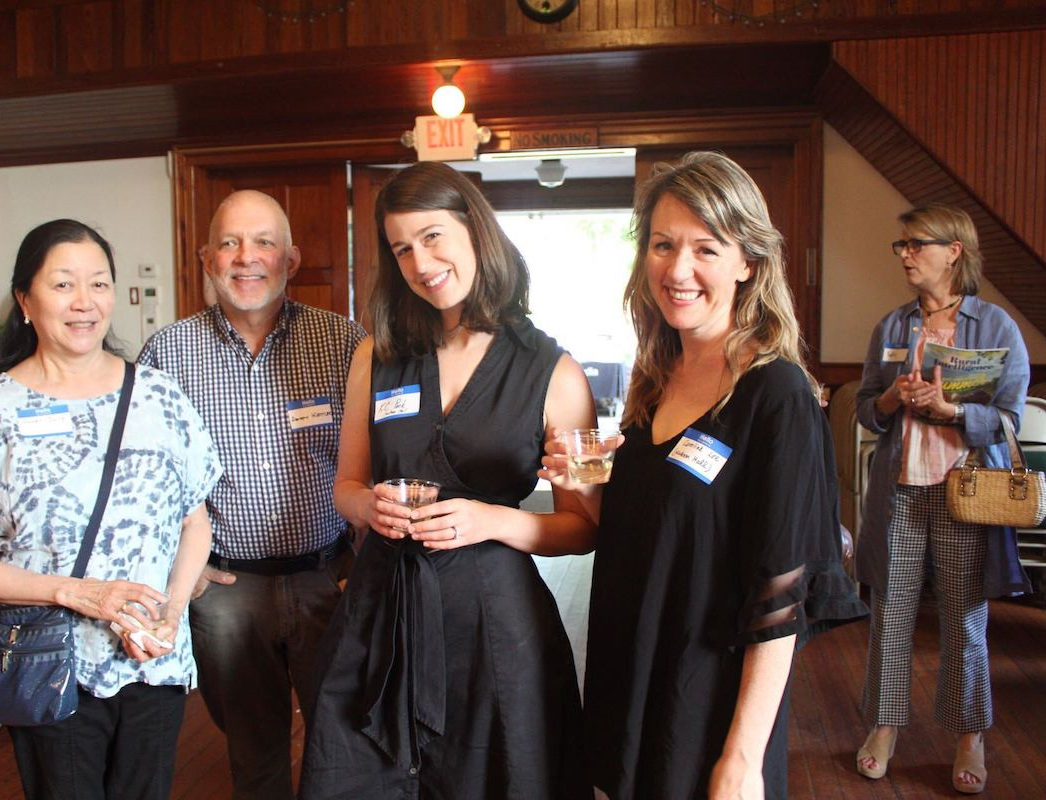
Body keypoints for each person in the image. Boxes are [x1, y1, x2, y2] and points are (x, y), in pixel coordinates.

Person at [567, 151, 866, 799]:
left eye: (706, 248)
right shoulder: (653, 385)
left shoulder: (775, 396)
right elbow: (642, 542)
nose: (678, 270)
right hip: (635, 683)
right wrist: (585, 486)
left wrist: (742, 757)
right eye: (663, 245)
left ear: (748, 263)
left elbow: (783, 596)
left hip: (707, 706)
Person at [298, 161, 596, 799]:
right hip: (382, 609)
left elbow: (582, 527)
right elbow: (346, 485)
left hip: (493, 619)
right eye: (402, 248)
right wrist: (368, 506)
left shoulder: (553, 371)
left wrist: (492, 520)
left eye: (432, 236)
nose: (420, 262)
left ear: (475, 231)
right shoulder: (374, 357)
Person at [0, 219, 221, 800]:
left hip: (151, 659)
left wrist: (171, 612)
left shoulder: (160, 395)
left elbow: (194, 522)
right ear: (25, 300)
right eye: (63, 285)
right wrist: (78, 593)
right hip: (49, 658)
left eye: (99, 284)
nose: (85, 303)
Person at [138, 190, 366, 800]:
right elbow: (144, 479)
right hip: (226, 593)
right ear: (207, 257)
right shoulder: (167, 354)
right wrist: (185, 569)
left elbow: (379, 457)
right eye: (231, 243)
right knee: (253, 751)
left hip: (329, 579)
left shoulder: (346, 344)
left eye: (263, 242)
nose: (247, 258)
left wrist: (365, 563)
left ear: (290, 259)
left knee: (342, 743)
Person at [854, 203, 1030, 794]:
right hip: (900, 492)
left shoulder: (996, 327)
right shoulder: (892, 326)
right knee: (891, 615)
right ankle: (884, 726)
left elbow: (1007, 418)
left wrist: (951, 410)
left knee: (965, 621)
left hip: (966, 495)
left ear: (954, 250)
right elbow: (865, 409)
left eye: (914, 244)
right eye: (900, 246)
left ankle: (968, 734)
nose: (904, 254)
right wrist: (891, 401)